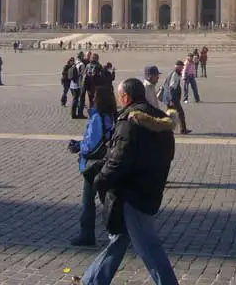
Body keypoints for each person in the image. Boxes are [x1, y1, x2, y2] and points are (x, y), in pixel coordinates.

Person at [75, 78, 178, 285]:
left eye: (120, 96)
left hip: (132, 193)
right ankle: (92, 280)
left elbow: (119, 158)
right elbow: (167, 155)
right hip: (150, 187)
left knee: (148, 245)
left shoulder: (129, 121)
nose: (119, 101)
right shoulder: (160, 119)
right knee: (119, 239)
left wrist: (100, 179)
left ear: (127, 97)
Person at [70, 86, 118, 247]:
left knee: (88, 201)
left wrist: (78, 146)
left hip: (93, 164)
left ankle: (87, 234)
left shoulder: (97, 117)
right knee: (107, 199)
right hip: (106, 161)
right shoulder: (112, 115)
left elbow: (91, 143)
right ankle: (118, 231)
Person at [162, 60, 190, 135]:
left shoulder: (172, 73)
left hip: (169, 97)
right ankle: (182, 129)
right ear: (178, 66)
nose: (182, 68)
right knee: (180, 113)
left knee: (170, 114)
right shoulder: (175, 74)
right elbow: (171, 87)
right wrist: (172, 99)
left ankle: (167, 129)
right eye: (182, 67)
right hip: (172, 98)